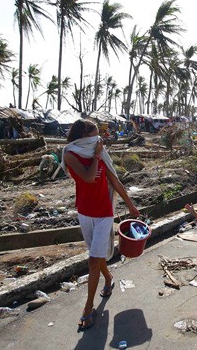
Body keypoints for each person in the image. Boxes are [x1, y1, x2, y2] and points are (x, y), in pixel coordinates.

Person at [61, 119, 140, 330]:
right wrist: (96, 155)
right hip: (85, 213)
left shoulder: (102, 156)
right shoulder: (71, 155)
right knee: (96, 256)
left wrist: (131, 207)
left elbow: (116, 182)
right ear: (85, 135)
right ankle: (108, 276)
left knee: (93, 260)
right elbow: (87, 177)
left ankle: (88, 308)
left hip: (105, 213)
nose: (100, 139)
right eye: (96, 134)